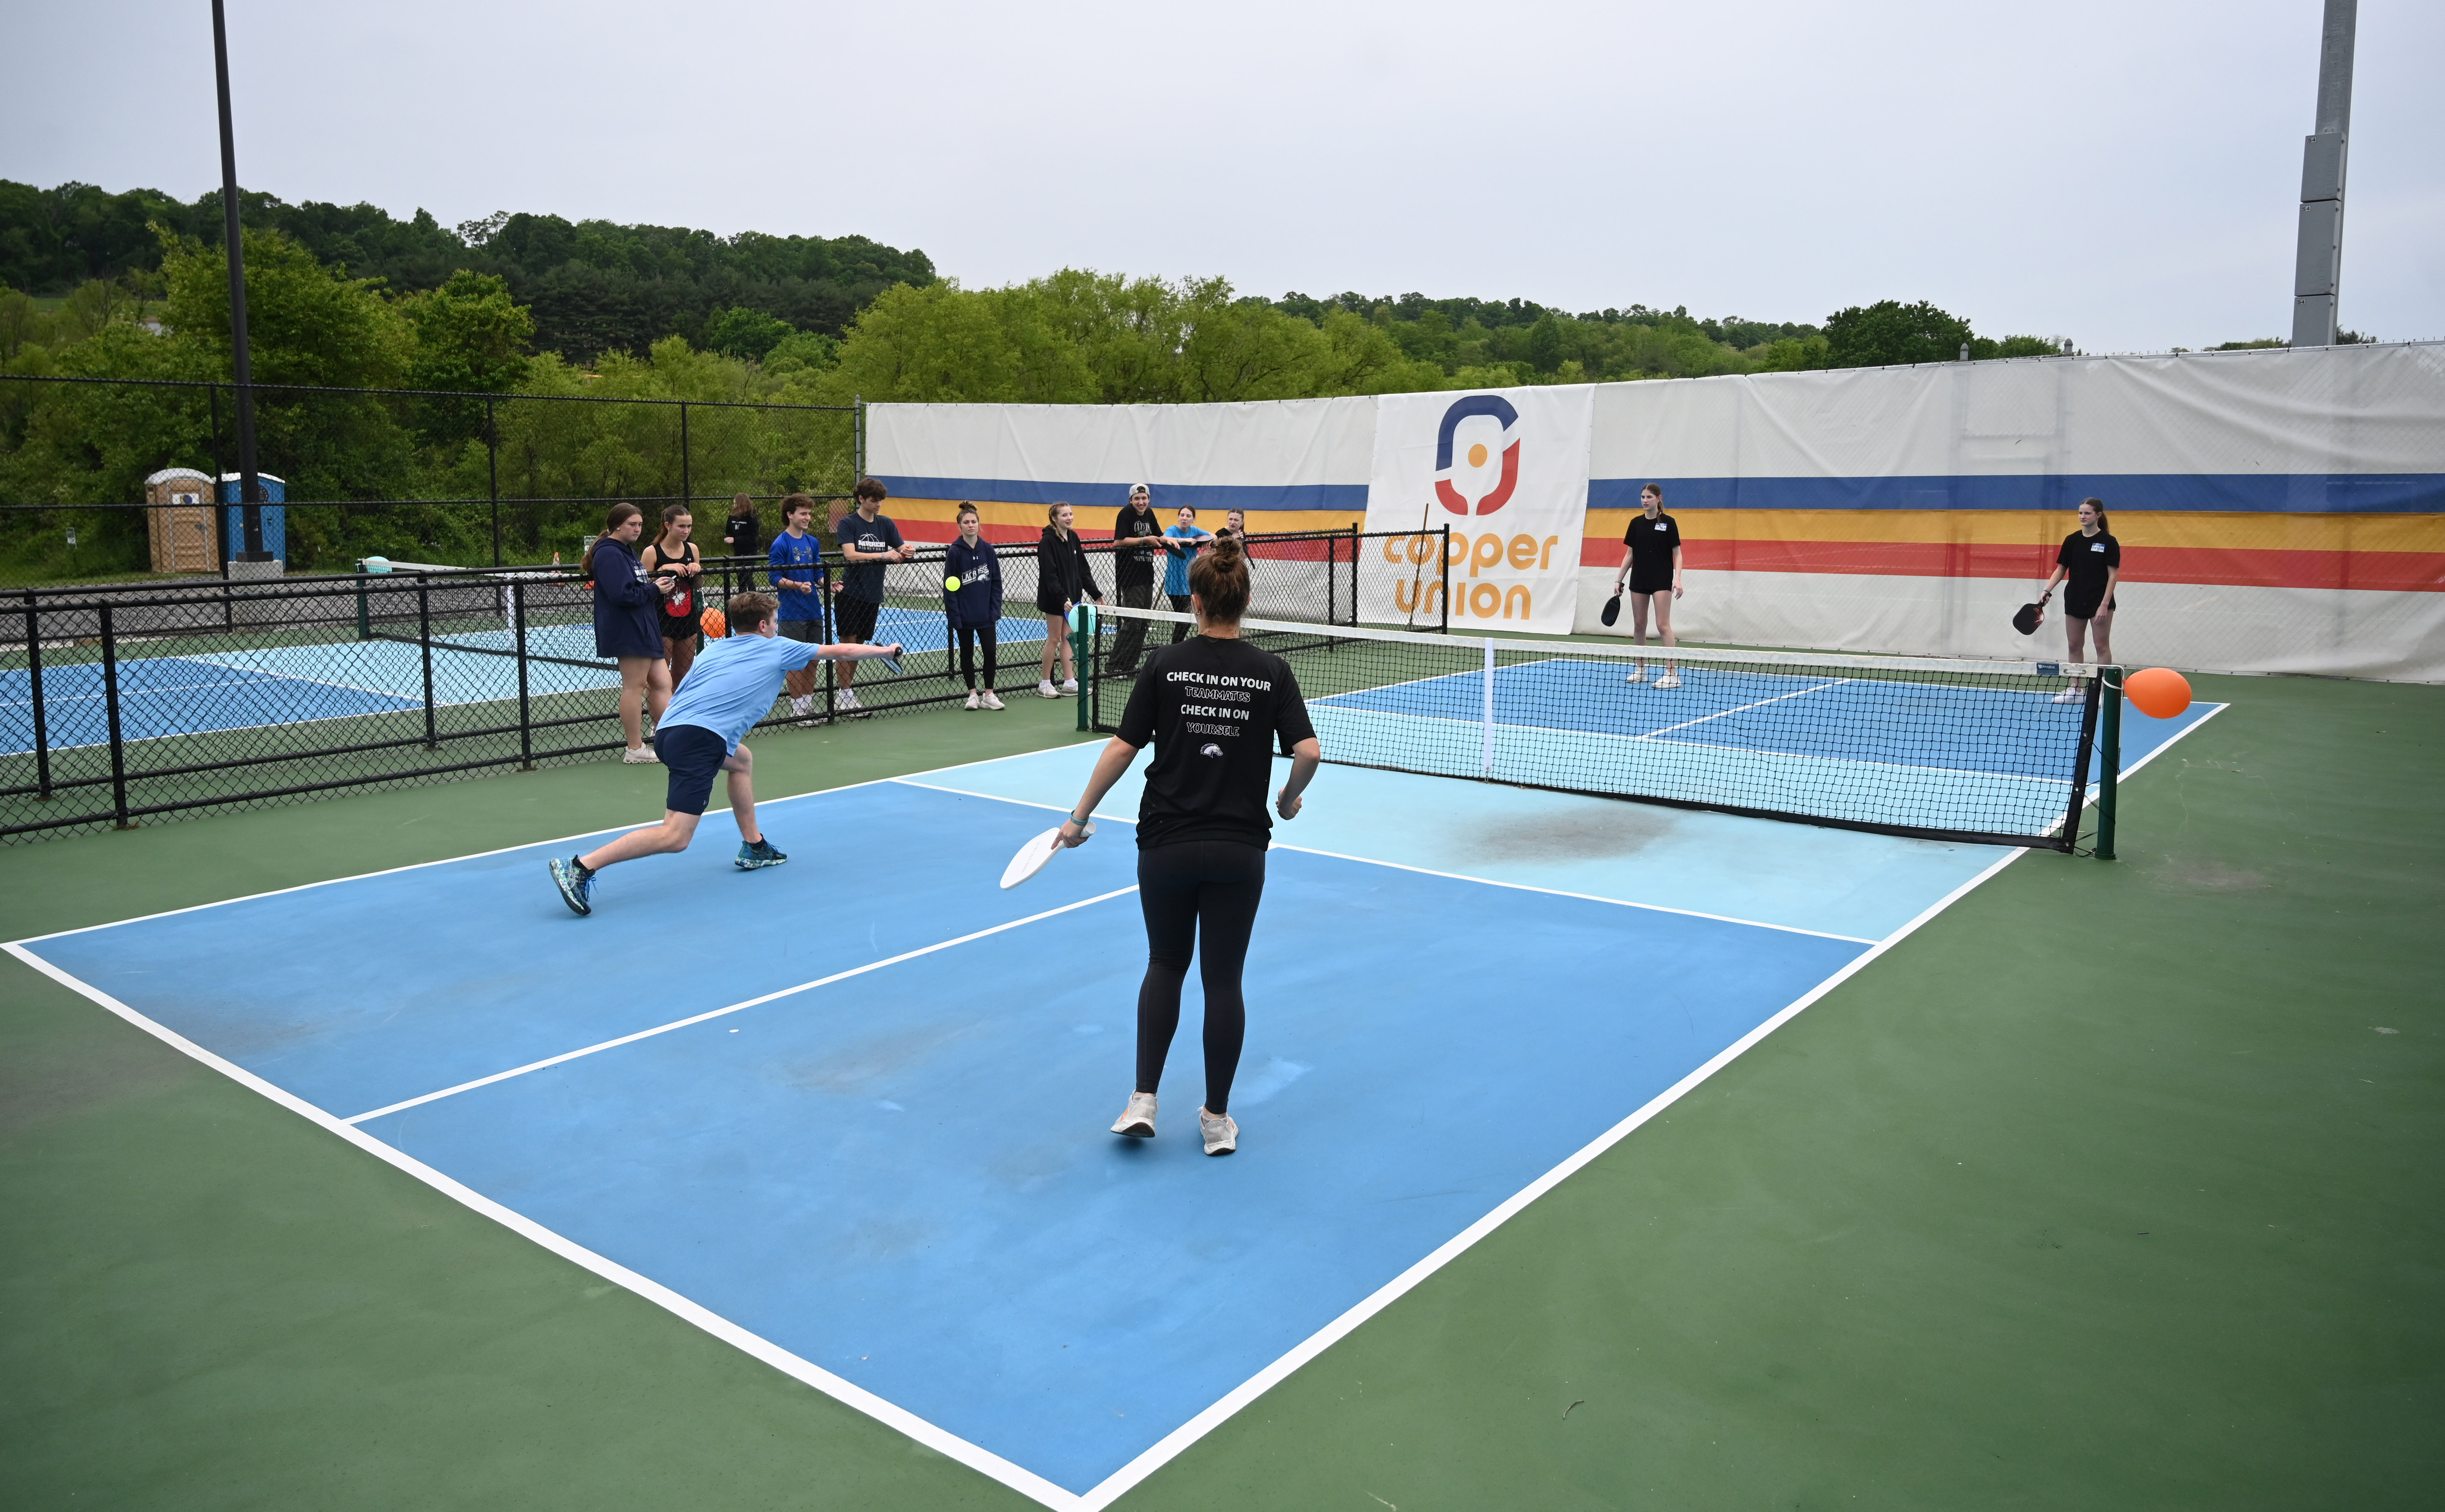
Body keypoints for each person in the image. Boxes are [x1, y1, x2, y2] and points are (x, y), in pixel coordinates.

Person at [1053, 535, 1322, 1156]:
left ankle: (1142, 1100)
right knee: (1223, 980)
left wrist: (1077, 817)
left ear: (1194, 601)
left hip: (1167, 844)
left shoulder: (1164, 663)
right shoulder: (1271, 671)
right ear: (1245, 600)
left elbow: (1122, 747)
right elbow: (1307, 751)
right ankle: (1216, 1119)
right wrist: (1285, 801)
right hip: (1238, 849)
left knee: (1164, 964)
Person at [547, 593, 901, 916]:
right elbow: (840, 651)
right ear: (764, 625)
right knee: (675, 837)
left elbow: (681, 691)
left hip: (670, 732)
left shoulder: (714, 650)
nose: (777, 627)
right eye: (775, 622)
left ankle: (755, 846)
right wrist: (886, 651)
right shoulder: (777, 647)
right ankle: (580, 867)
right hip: (699, 740)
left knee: (742, 760)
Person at [587, 502, 674, 763]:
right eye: (632, 525)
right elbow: (622, 594)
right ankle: (635, 749)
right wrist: (654, 590)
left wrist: (653, 586)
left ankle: (667, 739)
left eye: (640, 524)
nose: (638, 529)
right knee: (634, 686)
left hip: (645, 625)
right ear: (617, 526)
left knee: (662, 682)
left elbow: (635, 586)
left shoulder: (627, 551)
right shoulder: (609, 554)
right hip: (628, 629)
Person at [832, 476, 915, 716]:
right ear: (861, 499)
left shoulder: (886, 524)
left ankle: (845, 694)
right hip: (850, 593)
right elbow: (850, 555)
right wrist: (882, 556)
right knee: (846, 645)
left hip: (873, 593)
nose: (878, 504)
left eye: (881, 501)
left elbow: (900, 549)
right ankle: (845, 695)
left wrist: (907, 550)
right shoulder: (849, 523)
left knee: (858, 646)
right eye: (874, 500)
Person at [2034, 497, 2122, 702]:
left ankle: (2102, 691)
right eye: (2081, 513)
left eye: (2087, 513)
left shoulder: (2109, 542)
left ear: (2098, 515)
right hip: (2075, 598)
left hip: (2100, 602)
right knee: (2074, 646)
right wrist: (2047, 589)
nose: (2083, 517)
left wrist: (2104, 605)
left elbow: (2113, 576)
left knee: (2101, 647)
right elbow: (2061, 569)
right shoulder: (2072, 540)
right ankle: (2075, 690)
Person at [1612, 482, 1684, 690]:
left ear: (1659, 499)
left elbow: (1677, 554)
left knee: (1663, 625)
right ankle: (1641, 669)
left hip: (1662, 580)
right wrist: (1619, 579)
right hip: (1639, 580)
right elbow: (1630, 555)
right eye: (1643, 497)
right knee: (1639, 625)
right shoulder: (1636, 524)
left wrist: (1677, 578)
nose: (1645, 500)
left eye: (1649, 497)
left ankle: (1672, 673)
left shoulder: (1669, 523)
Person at [767, 494, 828, 720]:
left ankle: (808, 707)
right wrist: (796, 586)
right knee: (795, 661)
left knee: (813, 659)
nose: (808, 517)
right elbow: (774, 577)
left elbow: (818, 572)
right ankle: (798, 709)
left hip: (814, 610)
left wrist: (827, 583)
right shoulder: (781, 544)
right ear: (790, 515)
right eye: (803, 513)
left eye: (809, 513)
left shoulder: (812, 542)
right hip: (792, 613)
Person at [1035, 501, 1103, 697]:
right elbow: (1050, 575)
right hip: (1054, 599)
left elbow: (1083, 570)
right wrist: (1061, 597)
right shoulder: (1047, 542)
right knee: (1055, 638)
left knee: (1068, 638)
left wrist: (1096, 593)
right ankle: (1045, 684)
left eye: (1071, 514)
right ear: (1055, 519)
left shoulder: (1073, 537)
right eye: (1064, 515)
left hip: (1073, 600)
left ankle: (1070, 682)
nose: (1069, 518)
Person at [944, 503, 1007, 709]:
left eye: (974, 522)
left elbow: (996, 582)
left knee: (990, 652)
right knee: (967, 654)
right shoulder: (954, 552)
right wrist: (955, 615)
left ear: (979, 525)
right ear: (959, 526)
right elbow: (950, 588)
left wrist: (994, 609)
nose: (971, 525)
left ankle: (989, 694)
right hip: (964, 616)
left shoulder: (988, 550)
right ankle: (972, 694)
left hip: (987, 615)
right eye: (966, 522)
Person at [642, 503, 704, 689]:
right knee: (660, 678)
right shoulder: (652, 552)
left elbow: (699, 585)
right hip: (660, 617)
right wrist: (662, 570)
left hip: (687, 615)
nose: (686, 531)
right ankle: (661, 717)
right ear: (668, 526)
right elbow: (642, 588)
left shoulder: (692, 549)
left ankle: (677, 714)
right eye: (681, 526)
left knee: (683, 673)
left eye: (689, 526)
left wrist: (697, 571)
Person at [1108, 483, 1166, 673]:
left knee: (1144, 621)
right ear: (1131, 500)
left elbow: (1159, 536)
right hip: (1131, 575)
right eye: (1137, 499)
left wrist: (1177, 540)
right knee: (1132, 621)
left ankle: (1129, 665)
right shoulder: (1126, 514)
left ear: (1149, 500)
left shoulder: (1150, 514)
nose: (1141, 502)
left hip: (1147, 574)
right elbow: (1119, 541)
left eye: (1144, 499)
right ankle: (1114, 666)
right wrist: (1144, 540)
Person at [1161, 504, 1213, 644]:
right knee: (1183, 618)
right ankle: (1176, 646)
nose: (1184, 518)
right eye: (1182, 515)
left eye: (1188, 516)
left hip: (1189, 582)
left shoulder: (1195, 531)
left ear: (1194, 519)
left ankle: (1176, 646)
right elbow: (1165, 538)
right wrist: (1185, 541)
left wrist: (1205, 541)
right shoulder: (1173, 530)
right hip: (1174, 581)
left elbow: (1213, 536)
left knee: (1187, 618)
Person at [721, 493, 761, 591]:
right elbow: (729, 531)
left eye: (736, 504)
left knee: (748, 575)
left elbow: (752, 537)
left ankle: (754, 597)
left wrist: (736, 540)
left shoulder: (752, 518)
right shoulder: (732, 517)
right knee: (741, 577)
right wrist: (730, 538)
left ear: (741, 504)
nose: (734, 506)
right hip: (738, 551)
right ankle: (742, 598)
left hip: (750, 551)